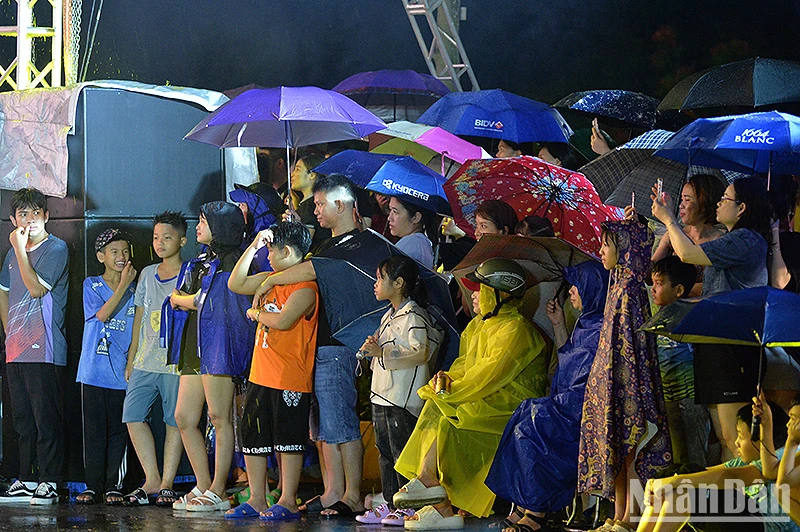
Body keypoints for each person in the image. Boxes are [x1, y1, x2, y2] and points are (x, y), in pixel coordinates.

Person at [392, 258, 549, 528]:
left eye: (481, 290)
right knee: (437, 407)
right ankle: (436, 498)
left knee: (449, 414)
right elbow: (464, 367)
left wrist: (450, 394)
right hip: (485, 397)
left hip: (510, 404)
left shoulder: (515, 328)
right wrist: (445, 381)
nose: (473, 295)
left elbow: (487, 376)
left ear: (499, 294)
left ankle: (436, 495)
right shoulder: (479, 325)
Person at [255, 173, 366, 517]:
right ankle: (333, 490)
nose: (316, 210)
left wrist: (271, 279)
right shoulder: (326, 244)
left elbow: (306, 273)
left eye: (320, 204)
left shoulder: (356, 245)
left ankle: (353, 494)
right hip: (316, 347)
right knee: (321, 427)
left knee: (340, 423)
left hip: (338, 344)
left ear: (340, 204)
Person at [651, 176, 770, 461]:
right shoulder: (733, 239)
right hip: (714, 343)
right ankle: (728, 503)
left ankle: (747, 502)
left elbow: (688, 253)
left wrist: (668, 221)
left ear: (742, 208)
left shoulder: (745, 240)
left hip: (734, 346)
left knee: (738, 440)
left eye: (726, 199)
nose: (719, 203)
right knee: (725, 439)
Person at [485, 260, 610, 532]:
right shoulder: (585, 323)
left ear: (592, 288)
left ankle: (536, 513)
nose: (572, 292)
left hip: (582, 412)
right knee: (521, 420)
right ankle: (522, 503)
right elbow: (569, 359)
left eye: (576, 286)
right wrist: (558, 324)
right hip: (566, 405)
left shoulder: (603, 328)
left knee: (533, 428)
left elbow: (588, 380)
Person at [577, 220, 671, 532]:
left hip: (630, 384)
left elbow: (633, 348)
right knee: (617, 448)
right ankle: (618, 515)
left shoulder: (631, 293)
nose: (601, 250)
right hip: (612, 382)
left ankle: (630, 518)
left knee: (631, 449)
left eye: (608, 244)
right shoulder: (617, 284)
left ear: (625, 249)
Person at [163, 201, 255, 512]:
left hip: (220, 346)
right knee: (184, 417)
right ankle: (202, 483)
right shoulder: (201, 261)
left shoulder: (234, 260)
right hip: (194, 344)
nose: (198, 225)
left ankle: (219, 488)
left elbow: (213, 301)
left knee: (219, 416)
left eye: (204, 221)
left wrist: (180, 299)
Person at [225, 221, 318, 520]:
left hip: (290, 375)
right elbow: (235, 283)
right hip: (260, 373)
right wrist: (252, 247)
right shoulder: (270, 278)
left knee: (288, 438)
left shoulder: (306, 287)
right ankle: (257, 498)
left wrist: (255, 312)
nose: (267, 257)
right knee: (254, 436)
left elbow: (284, 320)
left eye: (270, 251)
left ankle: (288, 499)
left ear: (287, 251)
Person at [354, 256, 444, 526]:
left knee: (402, 452)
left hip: (401, 397)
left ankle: (407, 505)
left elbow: (420, 351)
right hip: (382, 393)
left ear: (399, 283)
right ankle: (392, 501)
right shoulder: (388, 316)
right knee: (385, 450)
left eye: (381, 278)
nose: (376, 283)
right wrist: (374, 350)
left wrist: (383, 351)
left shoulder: (413, 316)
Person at [0, 188, 69, 505]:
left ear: (47, 216)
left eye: (36, 213)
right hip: (16, 348)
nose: (29, 220)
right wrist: (10, 332)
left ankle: (50, 481)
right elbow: (3, 292)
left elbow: (35, 289)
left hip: (46, 348)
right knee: (22, 420)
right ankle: (27, 479)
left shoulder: (56, 248)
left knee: (46, 419)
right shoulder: (11, 254)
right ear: (13, 219)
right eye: (23, 214)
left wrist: (20, 250)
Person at [638, 401, 794, 532]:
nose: (736, 443)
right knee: (681, 473)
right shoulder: (747, 460)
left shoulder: (780, 457)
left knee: (684, 487)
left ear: (759, 438)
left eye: (740, 436)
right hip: (749, 520)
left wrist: (674, 482)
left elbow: (730, 476)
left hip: (765, 527)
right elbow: (703, 473)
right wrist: (662, 480)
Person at [121, 211, 187, 507]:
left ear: (182, 240)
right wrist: (132, 356)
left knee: (175, 421)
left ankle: (167, 483)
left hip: (175, 362)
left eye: (168, 237)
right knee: (133, 415)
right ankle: (151, 479)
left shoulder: (190, 272)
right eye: (156, 237)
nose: (160, 243)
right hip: (145, 360)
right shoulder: (147, 273)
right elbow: (139, 316)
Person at [75, 229, 137, 505]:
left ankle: (114, 485)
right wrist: (123, 284)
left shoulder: (136, 291)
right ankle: (92, 485)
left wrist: (133, 361)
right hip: (92, 371)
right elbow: (101, 314)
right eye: (114, 252)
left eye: (125, 251)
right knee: (94, 432)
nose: (121, 257)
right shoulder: (92, 285)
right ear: (101, 256)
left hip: (121, 374)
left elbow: (137, 329)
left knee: (118, 431)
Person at [650, 256, 710, 467]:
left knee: (695, 456)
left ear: (678, 290)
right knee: (678, 456)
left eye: (659, 284)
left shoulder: (690, 314)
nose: (653, 289)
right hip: (669, 395)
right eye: (653, 283)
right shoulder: (657, 316)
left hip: (691, 395)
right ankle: (681, 496)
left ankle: (699, 496)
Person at [651, 173, 726, 296]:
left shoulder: (720, 242)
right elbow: (650, 274)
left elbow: (713, 287)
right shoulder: (673, 235)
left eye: (687, 199)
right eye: (681, 199)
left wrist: (669, 220)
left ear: (704, 203)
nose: (681, 205)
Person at [230, 181, 286, 273]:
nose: (239, 210)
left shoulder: (274, 243)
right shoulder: (247, 238)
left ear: (259, 210)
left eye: (243, 205)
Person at [285, 152, 330, 253]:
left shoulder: (311, 206)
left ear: (312, 175)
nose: (292, 174)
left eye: (297, 169)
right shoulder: (304, 204)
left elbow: (302, 247)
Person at [387, 196, 439, 268]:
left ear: (416, 218)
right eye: (390, 210)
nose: (389, 218)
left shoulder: (411, 244)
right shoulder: (421, 243)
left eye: (395, 212)